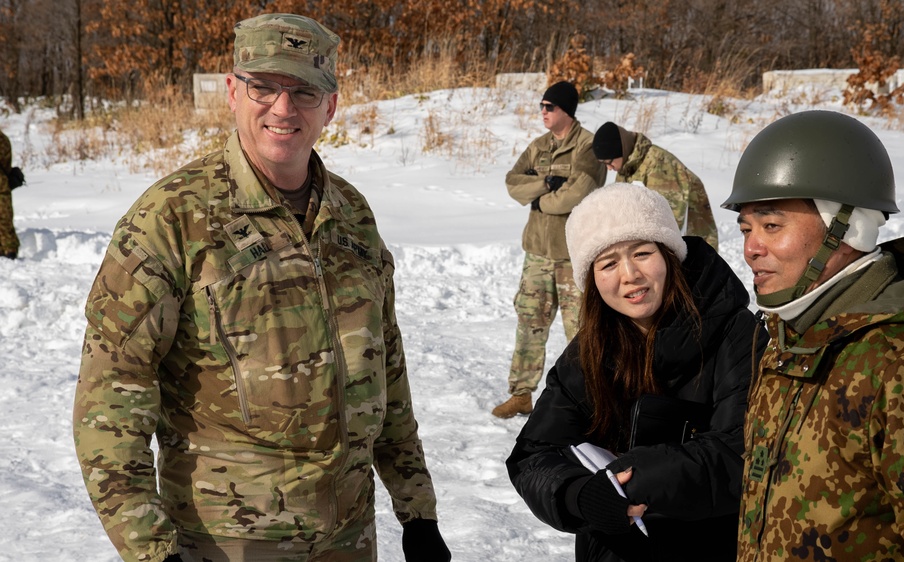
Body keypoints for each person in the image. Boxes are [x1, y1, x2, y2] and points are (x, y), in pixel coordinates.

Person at [73, 13, 451, 562]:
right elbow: (110, 399)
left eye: (303, 90)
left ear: (331, 106)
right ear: (232, 91)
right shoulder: (172, 218)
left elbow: (385, 369)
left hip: (348, 536)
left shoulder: (351, 217)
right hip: (228, 541)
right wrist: (151, 550)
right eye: (264, 86)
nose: (282, 108)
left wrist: (418, 511)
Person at [723, 110, 904, 560]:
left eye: (772, 226)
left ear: (847, 227)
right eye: (747, 229)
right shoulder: (792, 342)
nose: (751, 248)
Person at [506, 182, 765, 560]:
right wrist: (581, 495)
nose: (630, 275)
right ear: (592, 280)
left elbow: (741, 451)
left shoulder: (736, 333)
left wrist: (634, 479)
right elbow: (533, 454)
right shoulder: (590, 350)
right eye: (608, 263)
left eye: (642, 253)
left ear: (669, 255)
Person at [493, 80, 607, 418]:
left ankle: (594, 398)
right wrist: (543, 183)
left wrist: (540, 201)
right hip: (537, 253)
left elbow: (578, 192)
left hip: (574, 254)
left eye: (549, 107)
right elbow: (513, 184)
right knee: (530, 321)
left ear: (566, 111)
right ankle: (521, 393)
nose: (543, 112)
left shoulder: (588, 146)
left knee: (582, 328)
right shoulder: (538, 146)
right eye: (541, 106)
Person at [592, 121, 718, 250]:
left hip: (694, 245)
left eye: (609, 162)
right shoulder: (627, 166)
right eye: (603, 163)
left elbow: (668, 221)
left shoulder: (659, 165)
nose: (609, 168)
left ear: (621, 151)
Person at [0, 127, 19, 259]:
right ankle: (9, 248)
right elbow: (6, 164)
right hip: (2, 184)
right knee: (5, 218)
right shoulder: (3, 139)